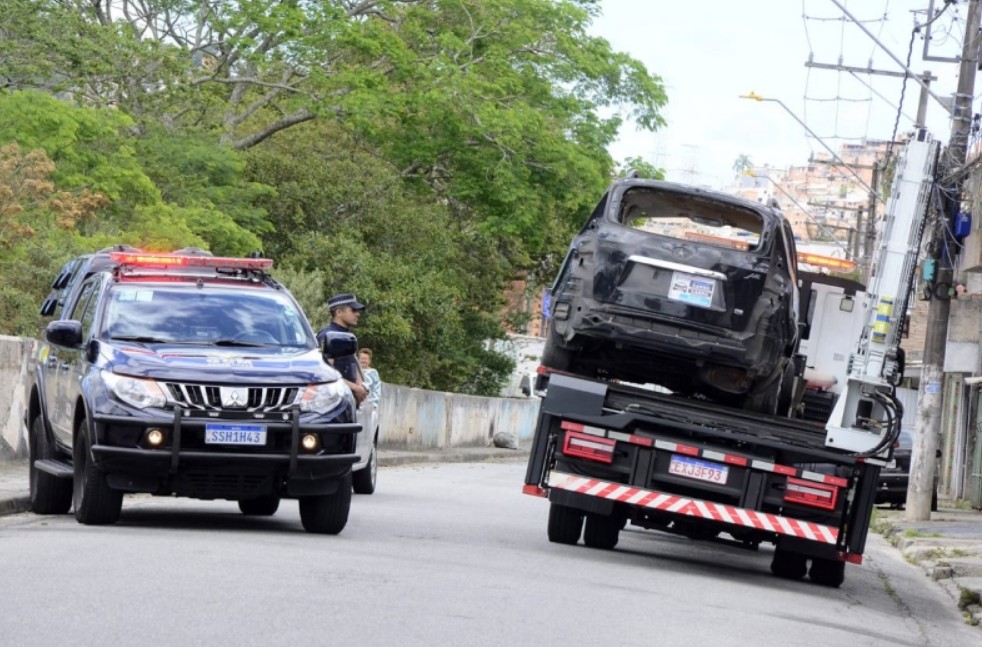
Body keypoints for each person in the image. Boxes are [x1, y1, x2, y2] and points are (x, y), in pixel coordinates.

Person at [316, 293, 369, 404]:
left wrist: (360, 386)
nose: (358, 314)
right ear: (339, 312)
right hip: (333, 402)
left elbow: (352, 362)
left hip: (349, 399)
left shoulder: (348, 335)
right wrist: (355, 388)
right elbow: (325, 373)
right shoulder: (328, 336)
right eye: (353, 310)